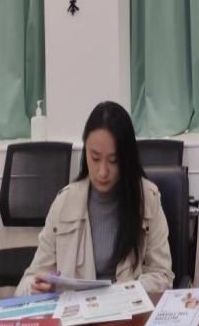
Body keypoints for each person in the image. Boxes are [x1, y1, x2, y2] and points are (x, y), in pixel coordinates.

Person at [16, 101, 174, 295]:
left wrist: (119, 294)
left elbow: (162, 276)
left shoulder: (148, 199)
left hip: (129, 309)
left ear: (127, 159)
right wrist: (35, 287)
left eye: (113, 160)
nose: (102, 171)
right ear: (86, 153)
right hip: (76, 310)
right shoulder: (64, 202)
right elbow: (29, 279)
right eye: (95, 158)